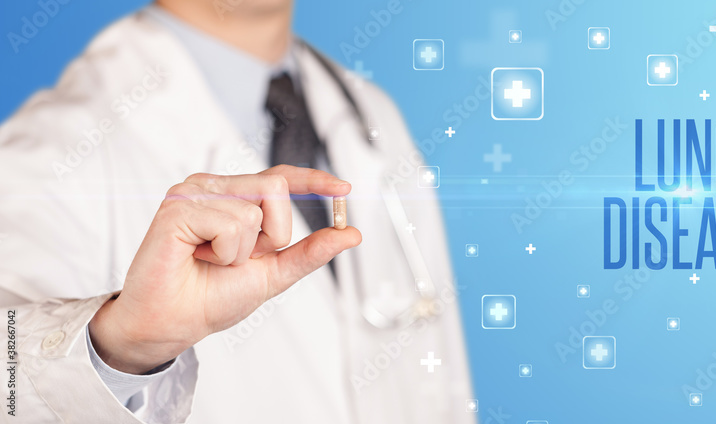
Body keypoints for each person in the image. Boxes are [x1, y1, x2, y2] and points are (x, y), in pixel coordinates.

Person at [0, 1, 474, 422]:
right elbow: (10, 386)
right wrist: (121, 349)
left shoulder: (373, 115)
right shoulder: (51, 151)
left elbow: (441, 373)